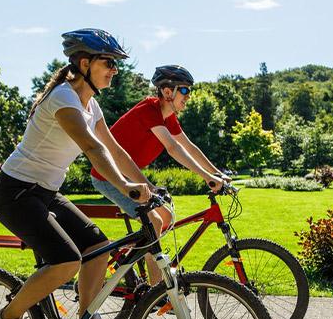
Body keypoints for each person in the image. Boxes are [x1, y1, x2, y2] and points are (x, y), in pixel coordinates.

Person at [0, 28, 154, 319]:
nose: (115, 70)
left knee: (97, 247)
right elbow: (92, 147)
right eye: (109, 63)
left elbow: (115, 150)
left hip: (45, 192)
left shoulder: (91, 105)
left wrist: (145, 185)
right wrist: (124, 187)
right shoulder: (64, 98)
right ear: (84, 62)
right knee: (66, 262)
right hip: (16, 192)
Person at [91, 65, 230, 286]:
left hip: (127, 175)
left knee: (166, 217)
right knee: (154, 220)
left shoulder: (168, 116)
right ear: (167, 92)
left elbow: (189, 147)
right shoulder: (150, 111)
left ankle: (144, 258)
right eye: (184, 90)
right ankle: (157, 290)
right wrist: (207, 178)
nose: (188, 96)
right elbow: (174, 149)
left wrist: (215, 173)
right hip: (107, 176)